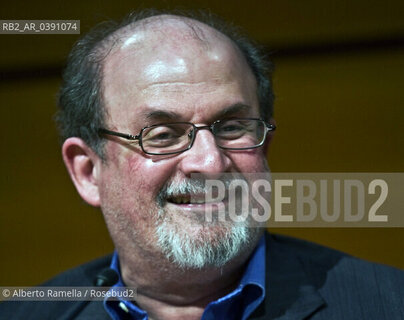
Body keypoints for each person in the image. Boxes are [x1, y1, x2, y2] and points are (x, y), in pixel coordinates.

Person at [1, 9, 403, 320]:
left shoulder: (388, 303)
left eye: (232, 126)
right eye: (161, 135)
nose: (210, 162)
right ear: (89, 172)